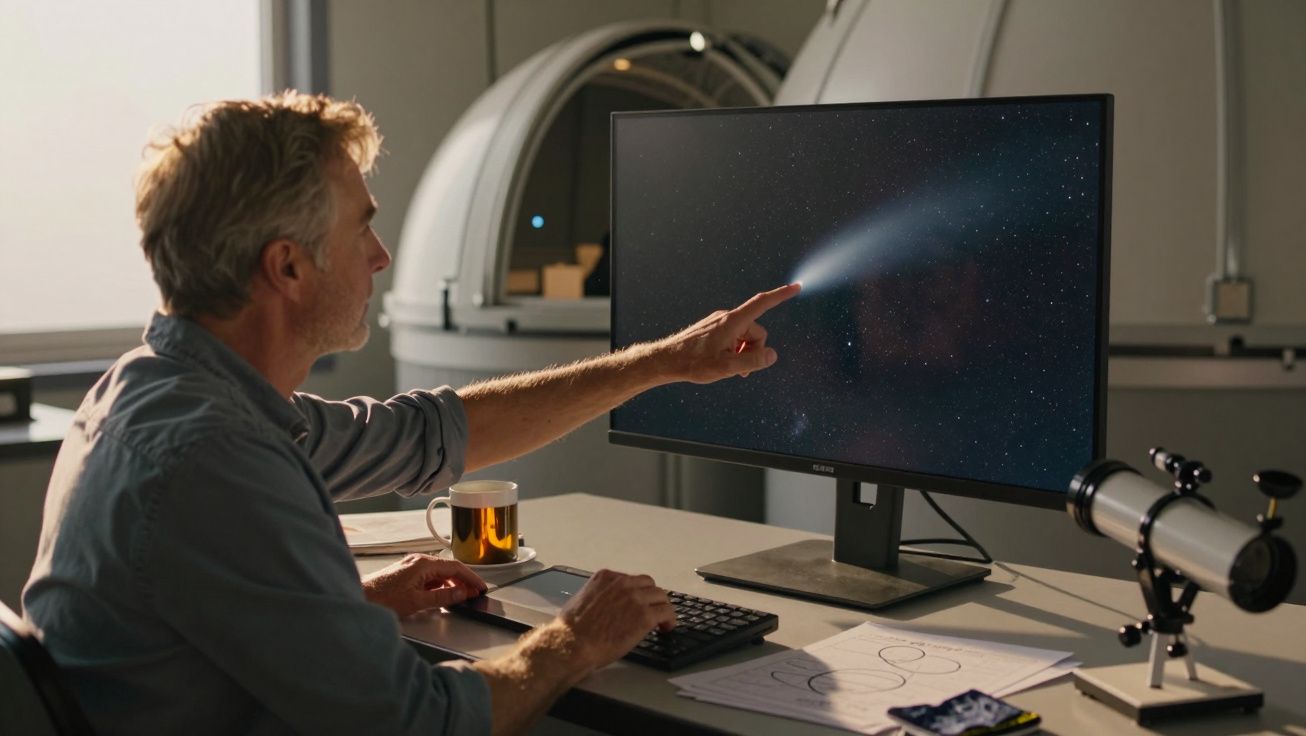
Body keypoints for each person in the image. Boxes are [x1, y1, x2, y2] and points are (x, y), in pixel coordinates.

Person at [22, 92, 799, 735]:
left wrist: (661, 362)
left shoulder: (160, 389)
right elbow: (418, 724)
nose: (382, 255)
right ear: (288, 266)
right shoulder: (213, 457)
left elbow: (429, 435)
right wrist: (572, 641)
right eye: (360, 226)